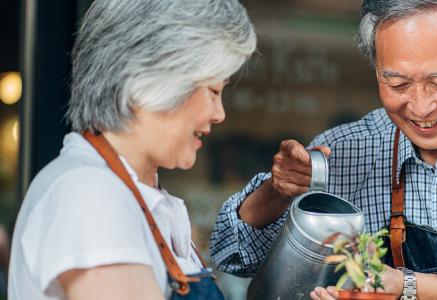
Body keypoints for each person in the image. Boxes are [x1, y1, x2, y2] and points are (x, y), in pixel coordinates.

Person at [211, 0, 437, 299]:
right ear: (376, 71)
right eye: (398, 83)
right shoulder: (345, 151)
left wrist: (406, 287)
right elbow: (234, 256)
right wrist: (276, 193)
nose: (420, 107)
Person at [8, 0, 255, 299]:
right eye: (213, 91)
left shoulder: (130, 194)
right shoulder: (88, 194)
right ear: (149, 80)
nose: (219, 114)